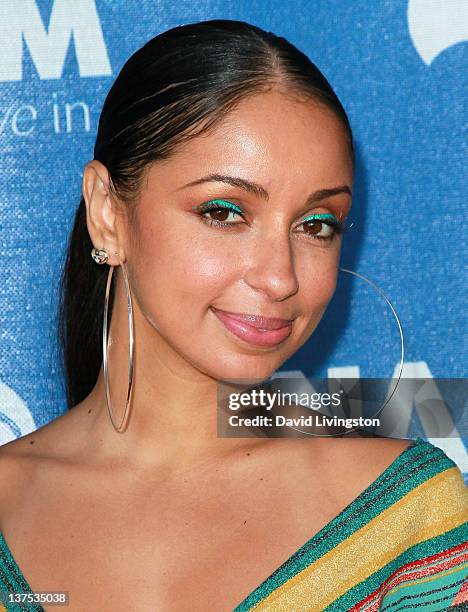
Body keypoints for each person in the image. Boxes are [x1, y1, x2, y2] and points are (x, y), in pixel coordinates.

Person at [0, 19, 466, 612]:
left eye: (316, 225)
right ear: (108, 215)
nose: (280, 277)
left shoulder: (405, 526)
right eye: (224, 212)